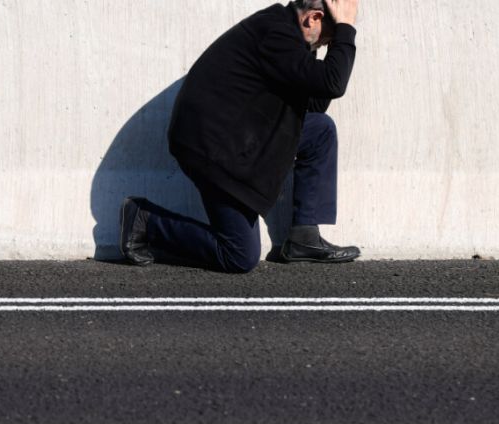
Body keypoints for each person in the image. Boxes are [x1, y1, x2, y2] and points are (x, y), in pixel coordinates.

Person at [120, 0, 361, 273]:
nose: (329, 44)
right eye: (331, 35)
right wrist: (345, 31)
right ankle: (145, 221)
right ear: (312, 18)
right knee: (239, 256)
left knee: (320, 130)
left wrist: (325, 43)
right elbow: (333, 83)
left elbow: (316, 102)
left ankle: (303, 237)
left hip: (240, 136)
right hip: (213, 148)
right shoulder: (277, 35)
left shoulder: (290, 39)